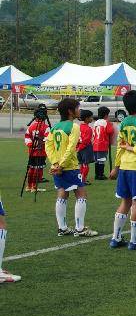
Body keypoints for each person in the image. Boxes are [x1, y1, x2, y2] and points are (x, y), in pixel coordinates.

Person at [44, 98, 97, 238]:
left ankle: (62, 228)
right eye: (78, 108)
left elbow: (48, 146)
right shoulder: (74, 127)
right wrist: (61, 165)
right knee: (81, 194)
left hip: (58, 167)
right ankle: (80, 229)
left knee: (62, 193)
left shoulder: (55, 127)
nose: (79, 110)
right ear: (70, 111)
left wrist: (55, 163)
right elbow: (71, 147)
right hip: (70, 166)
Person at [108, 90, 136, 250]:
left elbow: (119, 148)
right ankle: (134, 241)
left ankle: (116, 238)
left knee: (125, 201)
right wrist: (132, 148)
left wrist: (116, 167)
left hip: (125, 168)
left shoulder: (124, 123)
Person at [24, 106, 49, 193]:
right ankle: (34, 187)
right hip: (41, 152)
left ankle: (28, 186)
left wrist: (31, 145)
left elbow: (27, 138)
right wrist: (41, 145)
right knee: (38, 169)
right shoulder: (46, 127)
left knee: (31, 168)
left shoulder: (30, 127)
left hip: (31, 152)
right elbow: (48, 139)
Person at [92, 106, 115, 181]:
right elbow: (110, 131)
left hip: (95, 143)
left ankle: (97, 174)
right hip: (103, 143)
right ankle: (101, 174)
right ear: (106, 115)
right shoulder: (106, 123)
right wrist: (111, 125)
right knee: (101, 159)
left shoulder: (96, 122)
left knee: (97, 160)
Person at [77, 109, 95, 186]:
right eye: (91, 117)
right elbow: (86, 141)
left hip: (79, 148)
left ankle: (80, 179)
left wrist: (77, 148)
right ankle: (83, 180)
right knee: (85, 165)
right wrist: (80, 147)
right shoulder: (88, 129)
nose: (92, 118)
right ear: (87, 118)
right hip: (85, 148)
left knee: (81, 164)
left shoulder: (78, 127)